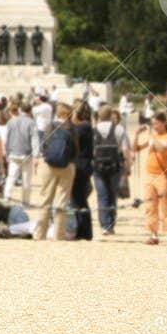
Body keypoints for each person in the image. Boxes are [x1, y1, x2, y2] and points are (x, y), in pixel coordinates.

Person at [34, 102, 77, 241]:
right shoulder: (71, 129)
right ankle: (58, 235)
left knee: (45, 200)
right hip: (66, 166)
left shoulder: (50, 126)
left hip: (48, 166)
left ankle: (40, 234)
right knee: (61, 202)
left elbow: (44, 145)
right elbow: (76, 149)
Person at [135, 112, 167, 245]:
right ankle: (153, 233)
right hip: (149, 173)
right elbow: (136, 148)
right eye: (152, 123)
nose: (154, 126)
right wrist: (136, 135)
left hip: (162, 174)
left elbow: (163, 148)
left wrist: (151, 134)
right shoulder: (154, 137)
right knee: (150, 205)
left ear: (164, 122)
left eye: (156, 123)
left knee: (165, 204)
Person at [90, 104, 126, 235]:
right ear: (111, 115)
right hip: (115, 165)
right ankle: (111, 223)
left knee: (102, 195)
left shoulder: (94, 130)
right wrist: (126, 165)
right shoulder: (119, 129)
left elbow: (91, 149)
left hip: (98, 166)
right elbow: (125, 148)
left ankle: (104, 224)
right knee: (113, 195)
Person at [3, 101, 40, 206]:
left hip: (13, 153)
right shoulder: (31, 122)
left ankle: (7, 197)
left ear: (20, 110)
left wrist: (7, 152)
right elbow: (35, 140)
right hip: (26, 154)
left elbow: (7, 138)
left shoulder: (11, 121)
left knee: (11, 177)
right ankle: (25, 201)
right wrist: (36, 155)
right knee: (26, 179)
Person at [69, 100, 95, 241]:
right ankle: (83, 230)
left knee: (79, 199)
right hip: (82, 165)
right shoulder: (85, 126)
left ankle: (83, 230)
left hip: (81, 166)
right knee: (79, 199)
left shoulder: (82, 127)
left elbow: (71, 139)